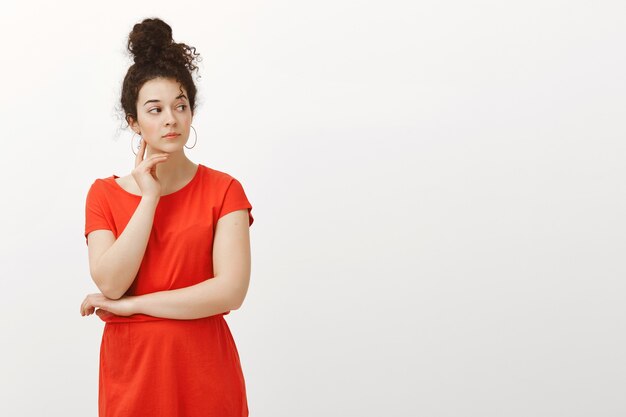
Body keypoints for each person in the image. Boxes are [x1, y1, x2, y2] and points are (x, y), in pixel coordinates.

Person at [79, 17, 254, 417]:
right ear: (133, 121)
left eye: (180, 106)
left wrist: (130, 307)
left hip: (204, 372)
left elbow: (230, 292)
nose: (171, 119)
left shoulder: (225, 190)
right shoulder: (103, 194)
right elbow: (111, 280)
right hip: (134, 374)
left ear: (192, 112)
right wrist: (149, 199)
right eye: (154, 110)